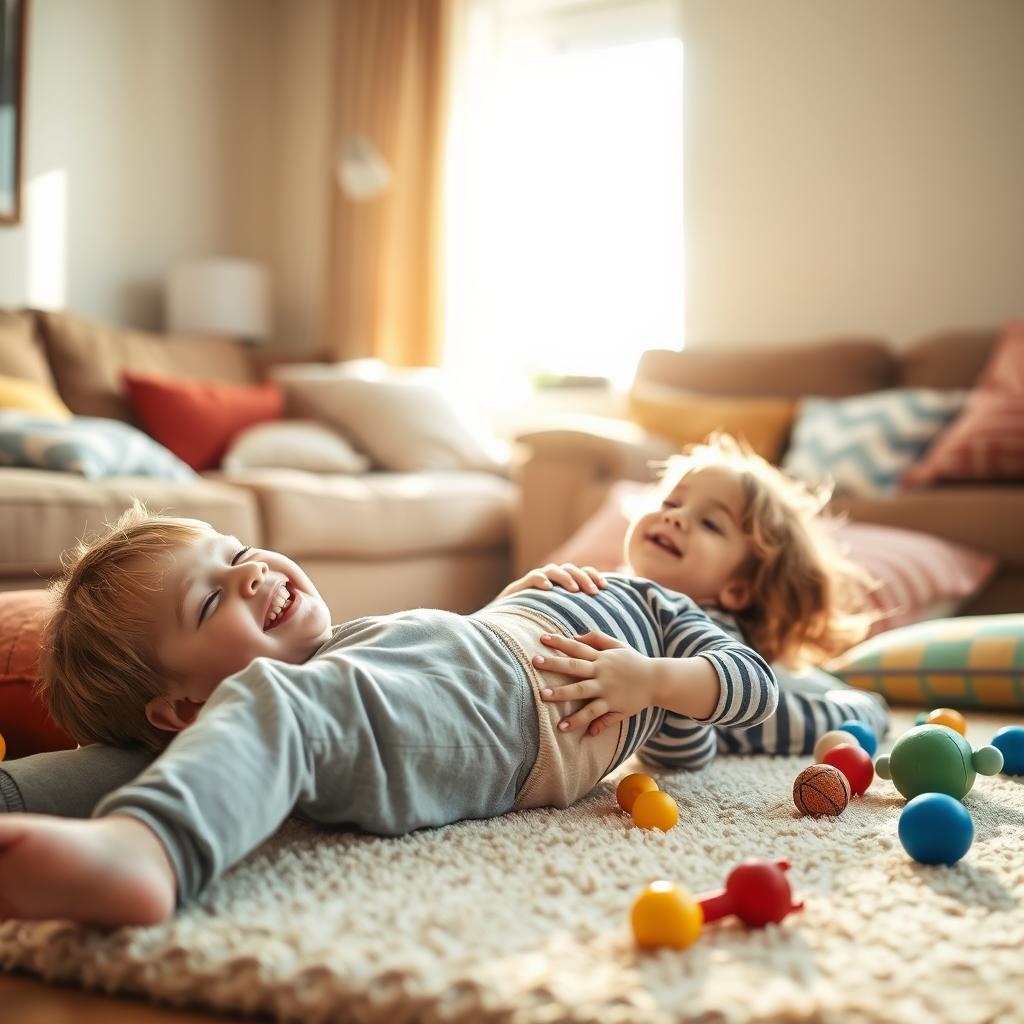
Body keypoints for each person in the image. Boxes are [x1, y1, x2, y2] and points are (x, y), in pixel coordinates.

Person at [0, 502, 778, 926]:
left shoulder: (675, 614)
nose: (253, 574)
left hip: (507, 701)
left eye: (710, 525)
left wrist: (649, 680)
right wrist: (531, 595)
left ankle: (152, 851)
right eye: (221, 581)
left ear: (738, 592)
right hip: (477, 672)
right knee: (222, 742)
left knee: (279, 708)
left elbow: (751, 687)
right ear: (180, 704)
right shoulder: (596, 583)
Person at [496, 433, 888, 768]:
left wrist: (656, 685)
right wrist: (520, 595)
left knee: (837, 711)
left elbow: (687, 755)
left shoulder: (711, 631)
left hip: (758, 693)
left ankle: (868, 700)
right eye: (670, 503)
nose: (676, 517)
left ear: (737, 589)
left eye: (710, 523)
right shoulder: (613, 589)